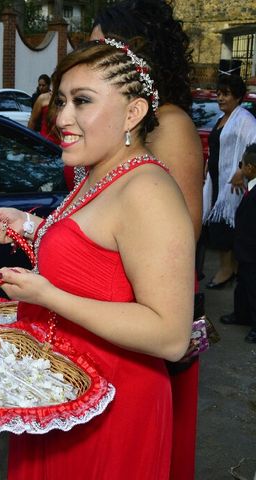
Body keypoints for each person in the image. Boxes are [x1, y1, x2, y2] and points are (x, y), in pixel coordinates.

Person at [0, 39, 194, 479]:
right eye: (62, 101)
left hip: (113, 403)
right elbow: (97, 257)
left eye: (82, 102)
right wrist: (30, 226)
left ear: (133, 113)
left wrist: (47, 295)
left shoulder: (147, 190)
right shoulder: (99, 172)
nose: (61, 118)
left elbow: (170, 335)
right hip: (63, 390)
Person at [89, 3, 205, 478]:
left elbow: (181, 235)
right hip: (102, 312)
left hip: (146, 312)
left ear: (135, 53)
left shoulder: (170, 124)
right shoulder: (108, 122)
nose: (86, 55)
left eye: (98, 46)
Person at [203, 74, 256, 289]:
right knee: (218, 225)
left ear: (237, 97)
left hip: (231, 182)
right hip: (216, 179)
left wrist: (241, 171)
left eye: (226, 94)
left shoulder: (244, 119)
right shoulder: (222, 119)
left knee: (225, 226)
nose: (220, 99)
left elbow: (254, 146)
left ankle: (227, 270)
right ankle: (230, 269)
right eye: (219, 94)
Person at [219, 144, 256, 342]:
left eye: (241, 165)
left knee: (252, 288)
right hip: (245, 251)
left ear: (249, 168)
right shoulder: (250, 188)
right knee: (242, 285)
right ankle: (241, 315)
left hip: (251, 251)